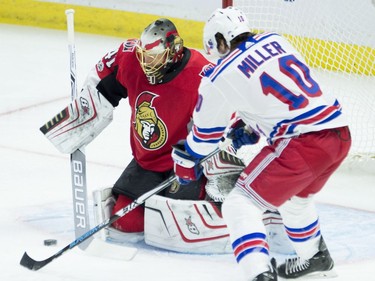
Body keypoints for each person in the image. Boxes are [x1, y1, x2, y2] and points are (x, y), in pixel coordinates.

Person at [171, 6, 351, 281]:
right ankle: (315, 258)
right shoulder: (276, 40)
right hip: (338, 132)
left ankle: (259, 275)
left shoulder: (219, 76)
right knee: (294, 202)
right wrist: (252, 125)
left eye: (216, 48)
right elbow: (278, 98)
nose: (217, 55)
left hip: (303, 142)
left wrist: (187, 160)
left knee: (239, 205)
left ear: (221, 40)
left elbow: (203, 141)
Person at [81, 18, 215, 234]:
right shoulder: (129, 59)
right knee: (125, 223)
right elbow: (99, 82)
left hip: (188, 163)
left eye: (155, 58)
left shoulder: (202, 75)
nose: (147, 64)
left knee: (178, 224)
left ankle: (210, 196)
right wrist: (83, 112)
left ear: (174, 50)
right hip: (148, 162)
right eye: (145, 57)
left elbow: (220, 124)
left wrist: (202, 162)